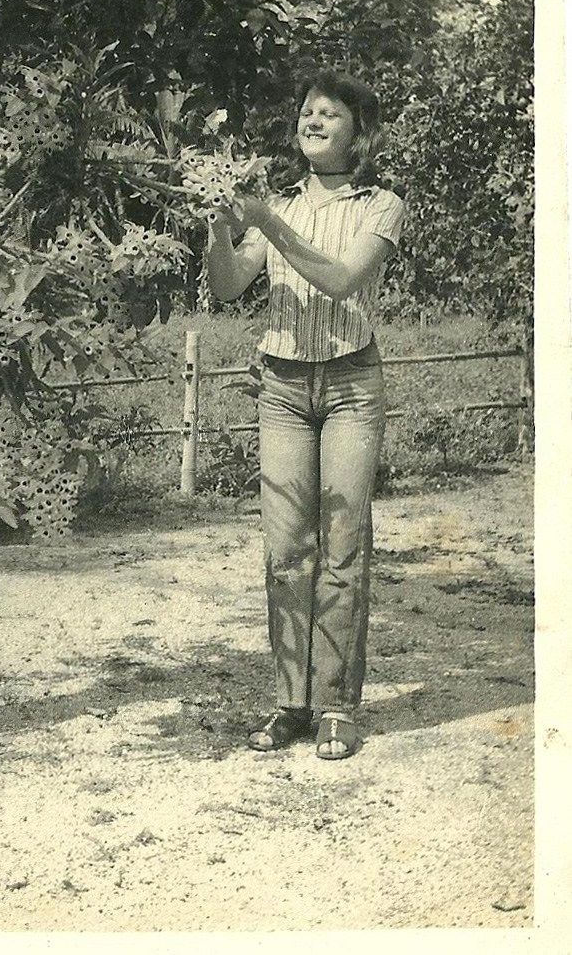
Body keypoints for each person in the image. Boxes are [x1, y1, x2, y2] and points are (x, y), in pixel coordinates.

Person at [207, 69, 405, 760]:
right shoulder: (279, 202)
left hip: (351, 384)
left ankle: (337, 706)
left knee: (343, 546)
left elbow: (340, 279)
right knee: (285, 548)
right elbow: (229, 285)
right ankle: (290, 703)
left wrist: (264, 222)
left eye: (330, 113)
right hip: (283, 388)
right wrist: (218, 225)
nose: (313, 121)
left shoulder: (382, 205)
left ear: (358, 131)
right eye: (306, 112)